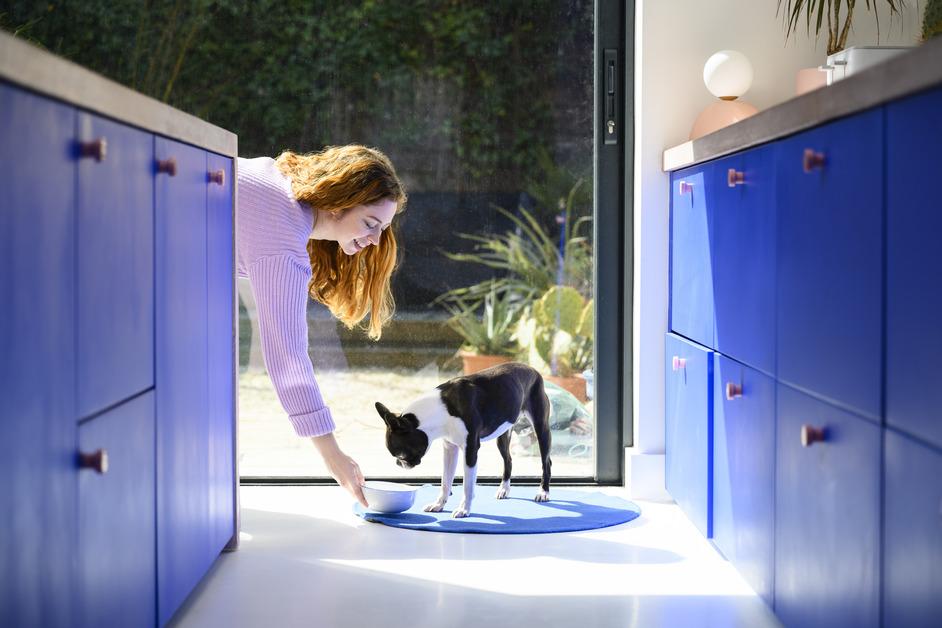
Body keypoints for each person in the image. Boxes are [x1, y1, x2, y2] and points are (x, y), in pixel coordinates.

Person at [237, 145, 407, 507]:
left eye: (383, 228)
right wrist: (334, 457)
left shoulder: (278, 182)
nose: (375, 240)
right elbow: (287, 359)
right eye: (369, 223)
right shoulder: (282, 241)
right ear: (337, 203)